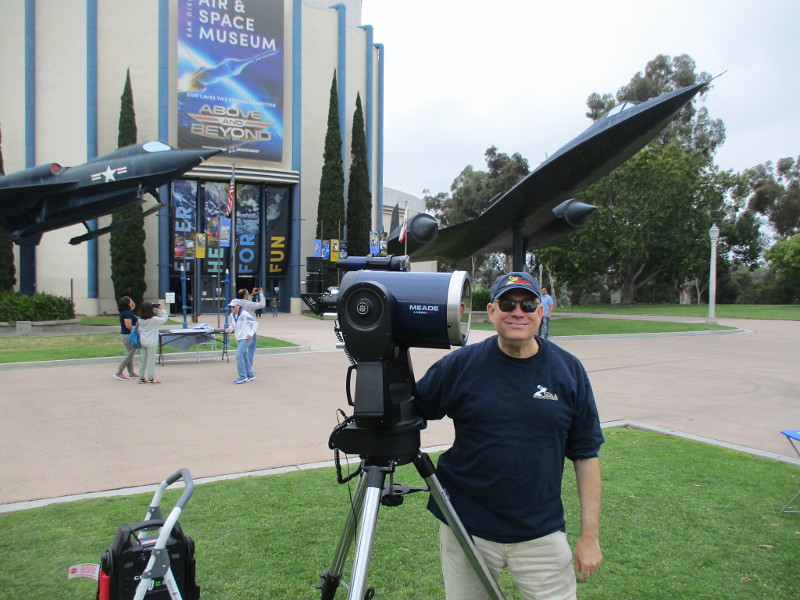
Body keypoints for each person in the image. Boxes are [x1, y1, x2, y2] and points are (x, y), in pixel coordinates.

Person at [414, 271, 603, 600]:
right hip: (466, 528)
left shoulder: (568, 371)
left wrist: (590, 537)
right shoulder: (460, 366)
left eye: (528, 304)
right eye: (508, 303)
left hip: (540, 531)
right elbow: (410, 409)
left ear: (540, 312)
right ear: (491, 311)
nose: (518, 312)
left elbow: (586, 456)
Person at [225, 299, 258, 384]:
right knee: (244, 355)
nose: (232, 308)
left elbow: (255, 323)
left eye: (233, 306)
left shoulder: (245, 314)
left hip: (246, 337)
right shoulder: (232, 315)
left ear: (238, 306)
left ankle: (242, 376)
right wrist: (230, 329)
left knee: (239, 355)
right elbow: (232, 325)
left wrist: (251, 333)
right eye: (231, 307)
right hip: (238, 337)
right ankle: (250, 374)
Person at [137, 301, 168, 384]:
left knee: (143, 359)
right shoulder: (154, 320)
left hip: (143, 340)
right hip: (152, 341)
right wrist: (162, 309)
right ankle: (151, 377)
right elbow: (164, 318)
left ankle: (141, 377)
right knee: (151, 360)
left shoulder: (141, 319)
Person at [237, 287, 266, 375]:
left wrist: (252, 295)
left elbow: (245, 302)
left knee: (244, 350)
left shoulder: (238, 302)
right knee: (251, 349)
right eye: (248, 293)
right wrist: (261, 294)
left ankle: (245, 369)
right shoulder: (248, 304)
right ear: (245, 295)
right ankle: (248, 369)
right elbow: (262, 304)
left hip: (240, 329)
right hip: (249, 329)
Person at [114, 296, 140, 381]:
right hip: (128, 335)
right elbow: (128, 325)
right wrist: (137, 330)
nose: (132, 301)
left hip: (126, 334)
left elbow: (133, 306)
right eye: (130, 300)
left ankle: (131, 373)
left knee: (130, 354)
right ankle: (119, 372)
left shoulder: (126, 312)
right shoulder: (127, 313)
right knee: (129, 354)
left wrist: (131, 303)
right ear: (127, 303)